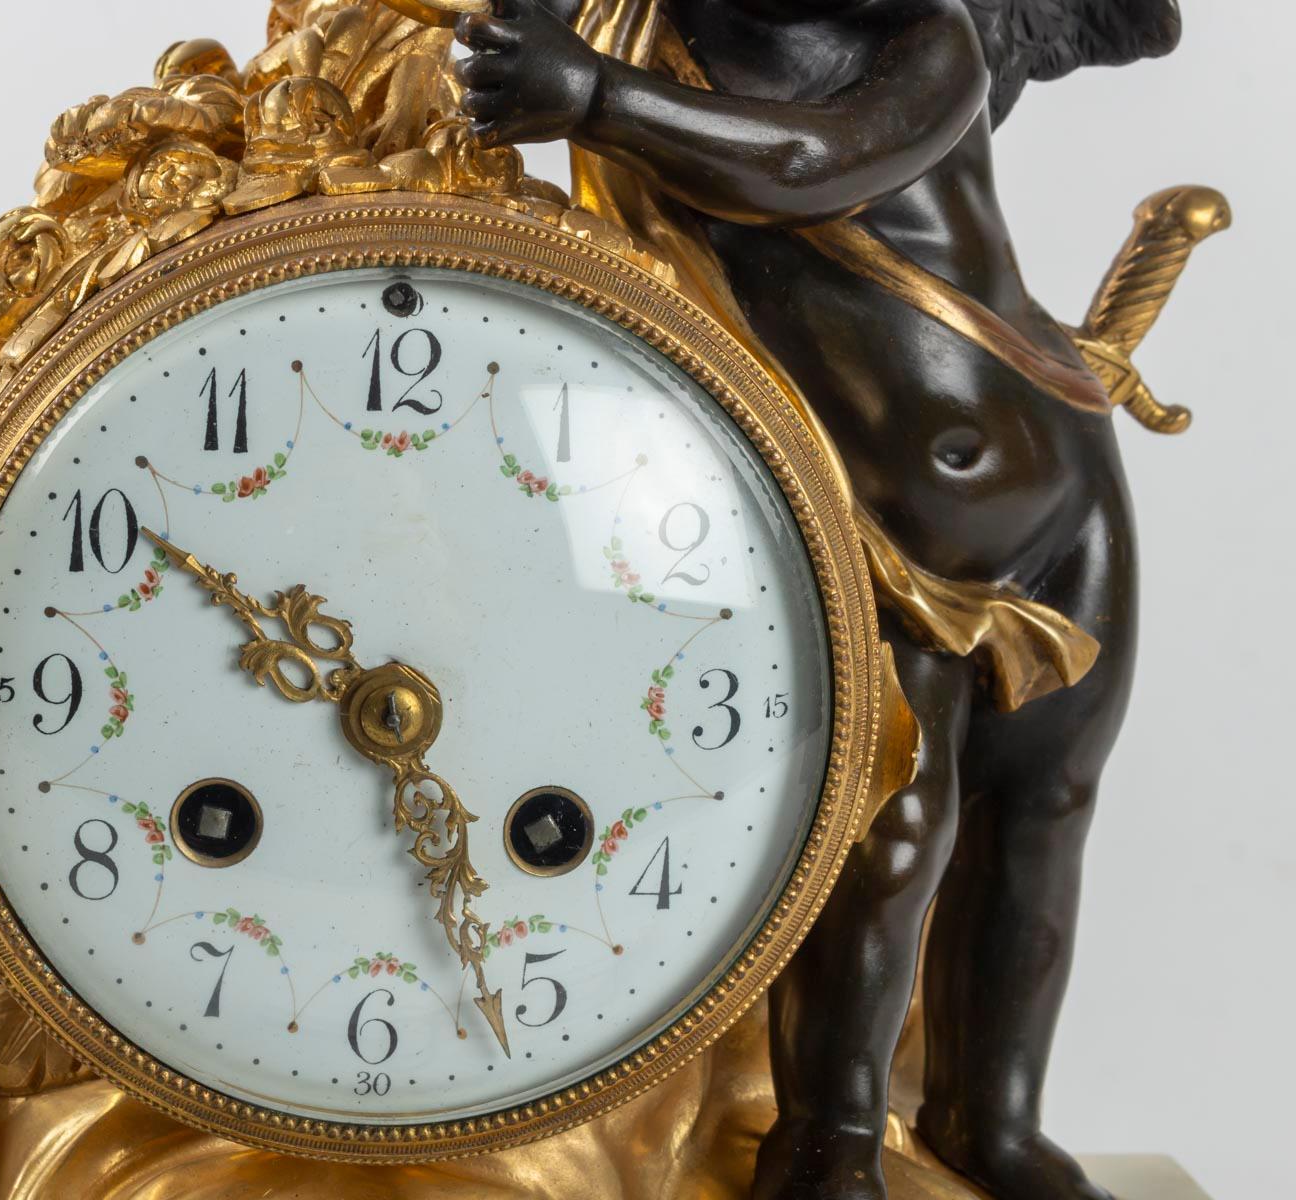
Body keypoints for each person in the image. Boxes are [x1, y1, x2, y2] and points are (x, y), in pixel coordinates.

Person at [453, 2, 1183, 1197]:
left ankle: (988, 1121)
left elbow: (810, 162)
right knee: (888, 828)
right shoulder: (633, 25)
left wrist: (593, 98)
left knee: (1043, 807)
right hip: (874, 531)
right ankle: (830, 1136)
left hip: (1064, 494)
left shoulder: (928, 38)